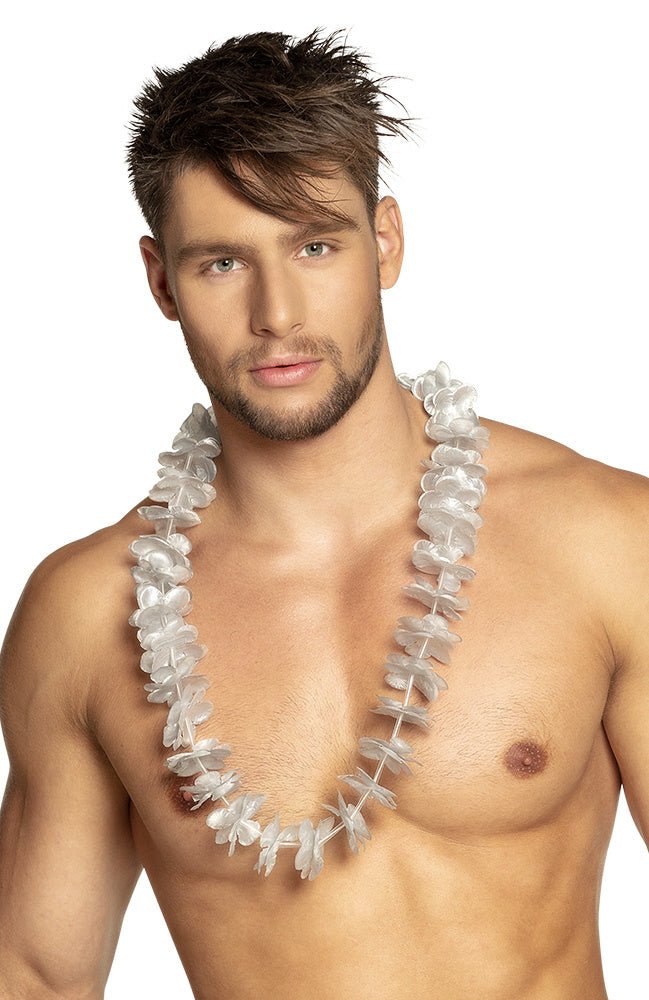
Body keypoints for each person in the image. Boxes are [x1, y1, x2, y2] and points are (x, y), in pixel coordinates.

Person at [0, 24, 647, 1000]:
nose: (278, 314)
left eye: (313, 245)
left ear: (384, 242)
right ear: (161, 279)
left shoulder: (601, 540)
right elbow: (36, 974)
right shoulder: (85, 614)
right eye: (222, 263)